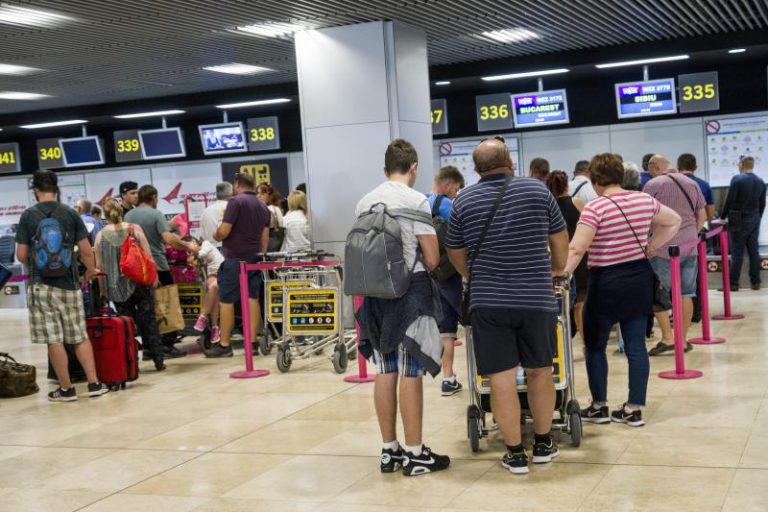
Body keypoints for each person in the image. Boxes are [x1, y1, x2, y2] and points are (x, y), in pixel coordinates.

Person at [446, 137, 568, 475]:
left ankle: (514, 453)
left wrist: (473, 274)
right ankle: (543, 443)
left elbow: (454, 250)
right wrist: (556, 268)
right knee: (540, 370)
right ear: (510, 162)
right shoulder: (538, 191)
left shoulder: (463, 200)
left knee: (500, 376)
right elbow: (560, 239)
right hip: (536, 298)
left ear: (476, 169)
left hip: (488, 301)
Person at [564, 154, 681, 428]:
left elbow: (577, 248)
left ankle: (599, 406)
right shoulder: (644, 200)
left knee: (595, 345)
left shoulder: (595, 208)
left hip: (605, 281)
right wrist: (652, 246)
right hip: (638, 278)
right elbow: (674, 220)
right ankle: (633, 409)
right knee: (636, 346)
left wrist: (563, 275)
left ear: (595, 180)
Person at [355, 139, 449, 477]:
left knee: (385, 368)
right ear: (414, 168)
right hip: (410, 293)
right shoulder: (415, 199)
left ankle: (389, 450)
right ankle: (415, 453)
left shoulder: (364, 201)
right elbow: (433, 258)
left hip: (375, 295)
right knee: (411, 369)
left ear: (385, 169)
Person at [15, 170, 109, 402]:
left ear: (36, 190)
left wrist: (39, 262)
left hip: (41, 287)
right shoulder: (70, 213)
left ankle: (66, 389)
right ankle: (94, 383)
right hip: (70, 285)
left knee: (54, 338)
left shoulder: (28, 216)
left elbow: (21, 255)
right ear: (57, 189)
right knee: (79, 335)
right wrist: (90, 271)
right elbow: (86, 250)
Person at [94, 198, 165, 371]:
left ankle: (131, 363)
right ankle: (158, 359)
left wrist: (103, 291)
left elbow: (100, 267)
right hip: (139, 283)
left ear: (105, 214)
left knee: (126, 327)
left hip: (116, 287)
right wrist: (154, 278)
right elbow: (148, 257)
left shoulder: (100, 236)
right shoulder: (134, 229)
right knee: (149, 321)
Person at [125, 185, 195, 359]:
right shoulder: (156, 214)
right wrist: (188, 246)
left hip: (136, 269)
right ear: (154, 197)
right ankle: (166, 345)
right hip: (157, 266)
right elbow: (168, 238)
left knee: (145, 308)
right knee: (166, 304)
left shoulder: (128, 216)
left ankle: (150, 347)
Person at [644, 164, 707, 356]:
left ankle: (667, 337)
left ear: (654, 168)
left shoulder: (653, 184)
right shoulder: (691, 183)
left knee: (658, 292)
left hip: (662, 248)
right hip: (689, 247)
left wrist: (649, 241)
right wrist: (691, 235)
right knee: (686, 293)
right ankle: (683, 340)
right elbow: (702, 215)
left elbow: (646, 216)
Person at [208, 173, 271, 358]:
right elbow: (265, 237)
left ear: (237, 184)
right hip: (255, 259)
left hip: (235, 258)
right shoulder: (263, 206)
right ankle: (252, 343)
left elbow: (224, 231)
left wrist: (216, 234)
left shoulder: (235, 202)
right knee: (252, 298)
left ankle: (224, 345)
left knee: (226, 301)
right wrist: (260, 255)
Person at [426, 165, 465, 397]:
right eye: (457, 188)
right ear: (449, 184)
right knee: (473, 322)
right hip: (452, 275)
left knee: (445, 330)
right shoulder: (447, 205)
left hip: (430, 274)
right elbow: (463, 235)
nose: (456, 193)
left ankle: (448, 378)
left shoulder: (419, 202)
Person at [546, 171, 587, 341]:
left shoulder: (549, 207)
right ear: (566, 185)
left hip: (560, 258)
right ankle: (585, 340)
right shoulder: (576, 202)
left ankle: (564, 339)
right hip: (580, 257)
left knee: (565, 303)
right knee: (581, 303)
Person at [721, 156, 767, 291]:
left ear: (741, 165)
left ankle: (734, 283)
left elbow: (730, 199)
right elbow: (762, 203)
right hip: (755, 218)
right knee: (754, 251)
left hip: (738, 219)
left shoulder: (737, 179)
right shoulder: (760, 181)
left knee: (737, 252)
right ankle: (755, 282)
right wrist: (757, 217)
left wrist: (723, 217)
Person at [184, 236, 224, 343]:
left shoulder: (206, 244)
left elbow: (201, 254)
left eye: (189, 246)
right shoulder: (197, 252)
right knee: (213, 295)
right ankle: (215, 328)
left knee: (212, 287)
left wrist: (193, 255)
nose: (189, 250)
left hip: (223, 272)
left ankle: (203, 316)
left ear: (194, 241)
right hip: (213, 275)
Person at [677, 154, 714, 221]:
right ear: (695, 167)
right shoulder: (704, 185)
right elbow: (710, 214)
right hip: (698, 224)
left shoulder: (668, 184)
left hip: (676, 224)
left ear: (678, 167)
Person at [199, 182, 233, 249]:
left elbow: (202, 236)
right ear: (230, 194)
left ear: (216, 194)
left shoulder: (205, 211)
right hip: (230, 248)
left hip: (211, 249)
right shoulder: (232, 208)